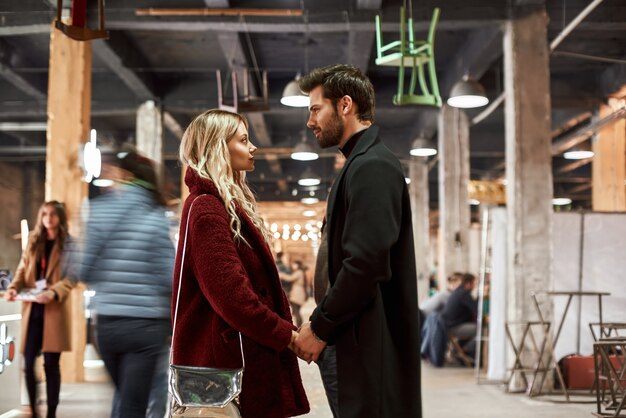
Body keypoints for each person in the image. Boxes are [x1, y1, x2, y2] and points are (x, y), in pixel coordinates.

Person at [293, 64, 422, 418]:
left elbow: (365, 264)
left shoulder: (372, 166)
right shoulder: (360, 164)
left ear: (345, 105)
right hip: (351, 337)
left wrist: (319, 327)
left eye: (316, 109)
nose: (310, 121)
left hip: (364, 343)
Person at [173, 109, 309, 418]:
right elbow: (233, 297)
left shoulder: (219, 204)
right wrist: (288, 336)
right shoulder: (207, 209)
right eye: (244, 140)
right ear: (218, 147)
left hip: (235, 357)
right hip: (225, 366)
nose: (253, 147)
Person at [78, 151, 173, 418]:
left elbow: (83, 270)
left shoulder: (98, 211)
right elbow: (168, 276)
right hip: (146, 325)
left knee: (122, 397)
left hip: (107, 323)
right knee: (133, 404)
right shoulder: (156, 217)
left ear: (125, 175)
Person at [4, 201, 76, 418]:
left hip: (53, 308)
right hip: (32, 309)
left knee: (51, 365)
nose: (48, 218)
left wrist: (53, 292)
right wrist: (13, 288)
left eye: (53, 214)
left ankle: (51, 413)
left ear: (60, 217)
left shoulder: (69, 244)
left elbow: (72, 277)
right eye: (44, 214)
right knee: (27, 361)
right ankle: (34, 411)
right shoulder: (34, 242)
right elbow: (22, 269)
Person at [441, 272, 478, 357]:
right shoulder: (464, 294)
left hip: (448, 326)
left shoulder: (458, 292)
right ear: (468, 283)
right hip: (453, 327)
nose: (474, 286)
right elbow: (476, 309)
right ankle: (464, 351)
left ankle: (457, 351)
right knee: (480, 330)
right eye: (474, 283)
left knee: (474, 328)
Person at [280, 260, 307, 327]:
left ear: (298, 265)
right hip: (298, 293)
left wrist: (281, 274)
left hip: (297, 294)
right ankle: (300, 326)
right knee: (296, 311)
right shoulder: (300, 272)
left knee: (296, 311)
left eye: (294, 264)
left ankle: (299, 326)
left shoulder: (299, 272)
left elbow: (290, 278)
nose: (293, 266)